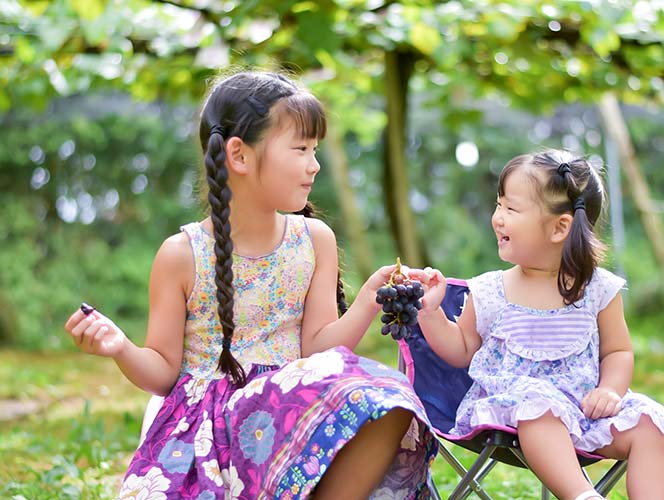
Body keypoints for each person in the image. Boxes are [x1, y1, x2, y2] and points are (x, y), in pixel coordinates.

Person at [64, 70, 437, 500]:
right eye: (300, 149)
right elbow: (164, 373)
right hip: (216, 426)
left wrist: (371, 297)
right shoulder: (182, 254)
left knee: (387, 396)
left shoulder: (314, 241)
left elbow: (319, 349)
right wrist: (120, 347)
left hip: (296, 410)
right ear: (239, 156)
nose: (314, 164)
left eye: (314, 150)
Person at [409, 150, 664, 500]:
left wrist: (610, 390)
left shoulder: (597, 289)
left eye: (511, 209)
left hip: (584, 411)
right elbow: (462, 351)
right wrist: (431, 312)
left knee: (651, 424)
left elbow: (618, 351)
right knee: (538, 403)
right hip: (514, 410)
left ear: (560, 227)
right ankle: (583, 496)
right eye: (499, 205)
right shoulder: (490, 290)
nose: (498, 217)